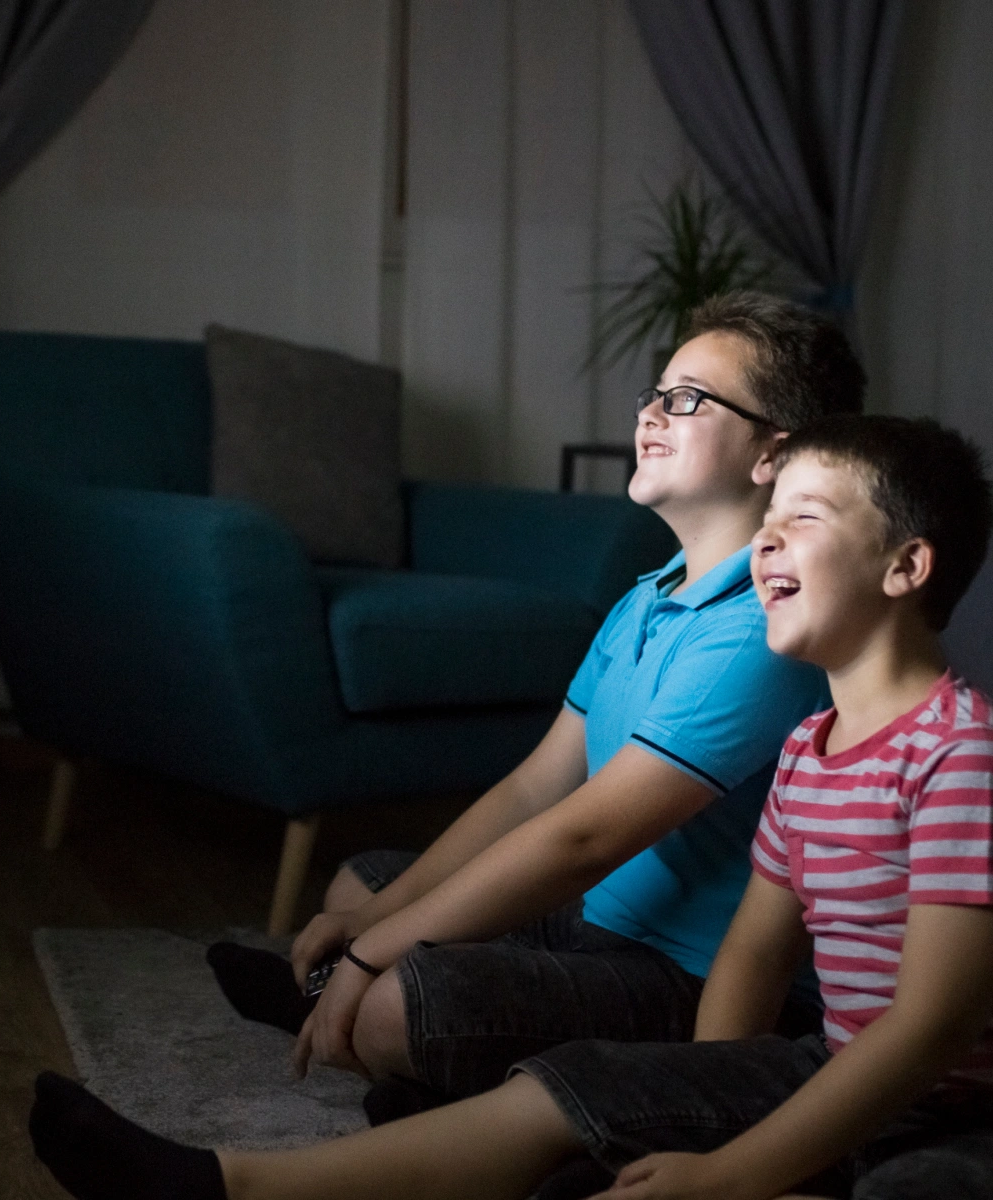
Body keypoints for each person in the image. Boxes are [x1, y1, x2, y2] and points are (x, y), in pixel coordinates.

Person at [28, 412, 993, 1200]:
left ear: (906, 568)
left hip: (940, 1108)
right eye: (768, 518)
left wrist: (731, 1170)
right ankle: (227, 1185)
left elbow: (930, 1032)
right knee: (563, 1091)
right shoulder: (807, 751)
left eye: (805, 520)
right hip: (826, 1071)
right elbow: (754, 947)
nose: (767, 540)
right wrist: (694, 1094)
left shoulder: (958, 753)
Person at [209, 292, 866, 1112]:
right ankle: (389, 1040)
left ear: (775, 452)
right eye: (654, 393)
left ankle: (413, 1055)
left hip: (683, 974)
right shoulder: (647, 597)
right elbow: (534, 788)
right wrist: (382, 920)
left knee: (392, 998)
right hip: (595, 922)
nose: (653, 414)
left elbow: (586, 835)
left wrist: (379, 955)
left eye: (688, 398)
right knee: (360, 886)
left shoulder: (758, 632)